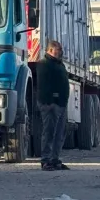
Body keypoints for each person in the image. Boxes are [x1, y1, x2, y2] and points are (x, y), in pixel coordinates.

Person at [36, 40, 71, 171]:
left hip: (61, 104)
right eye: (58, 50)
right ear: (50, 50)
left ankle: (55, 159)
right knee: (49, 132)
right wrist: (51, 101)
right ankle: (45, 160)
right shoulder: (44, 64)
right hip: (50, 104)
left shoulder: (59, 64)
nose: (60, 52)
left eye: (60, 50)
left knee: (60, 132)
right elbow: (44, 85)